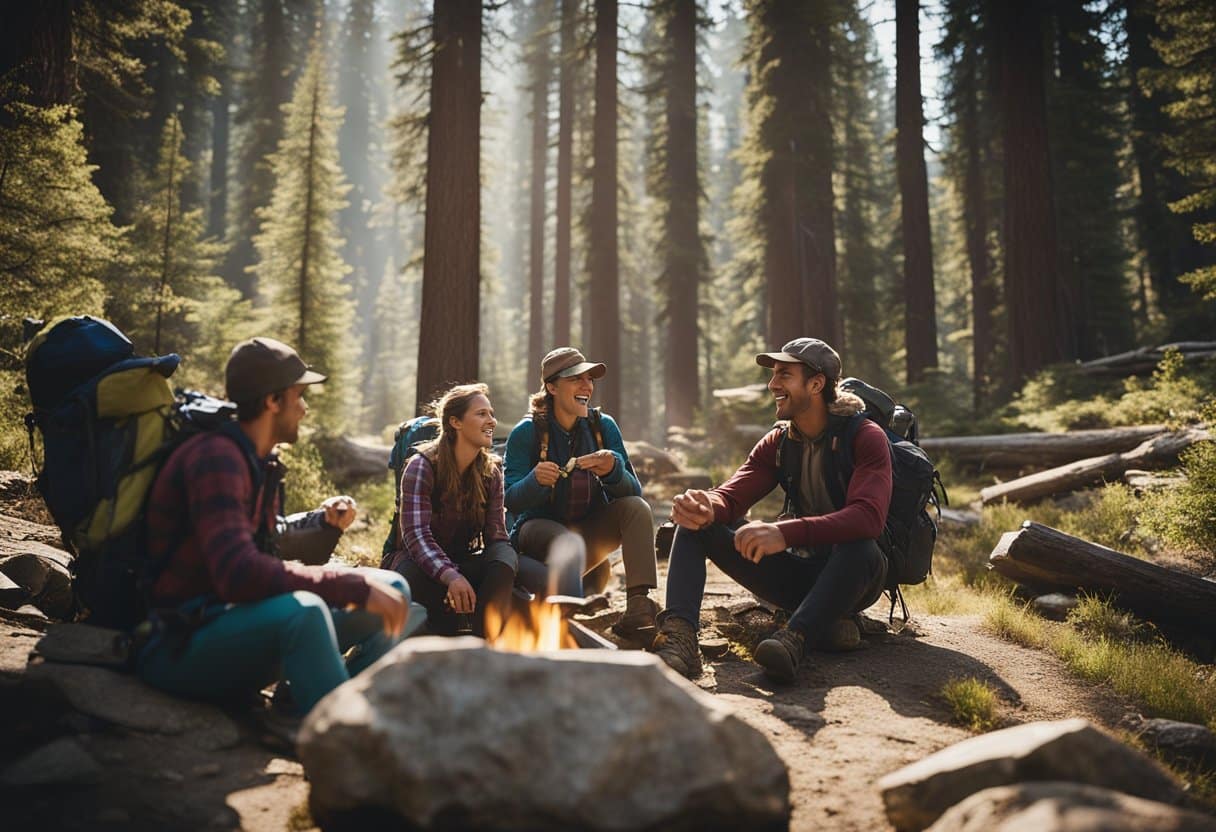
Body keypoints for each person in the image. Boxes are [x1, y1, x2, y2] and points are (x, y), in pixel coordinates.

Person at [136, 337, 412, 717]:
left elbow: (263, 541)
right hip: (181, 642)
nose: (304, 407)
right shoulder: (215, 458)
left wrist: (320, 522)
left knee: (392, 586)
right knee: (306, 612)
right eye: (298, 395)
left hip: (237, 623)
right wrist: (345, 583)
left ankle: (315, 706)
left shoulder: (259, 462)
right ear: (272, 400)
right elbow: (239, 572)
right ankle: (345, 740)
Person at [652, 337, 892, 683]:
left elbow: (868, 518)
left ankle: (795, 639)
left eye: (784, 375)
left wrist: (784, 532)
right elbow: (732, 498)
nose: (772, 384)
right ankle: (680, 640)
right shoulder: (779, 442)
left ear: (816, 383)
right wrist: (706, 506)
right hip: (797, 573)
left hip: (855, 578)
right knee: (695, 525)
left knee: (862, 546)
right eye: (773, 374)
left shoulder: (865, 437)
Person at [503, 347, 659, 641]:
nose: (586, 386)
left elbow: (633, 492)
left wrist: (613, 471)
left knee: (637, 508)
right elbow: (510, 498)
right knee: (567, 541)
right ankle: (571, 624)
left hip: (586, 533)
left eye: (589, 379)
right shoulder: (527, 432)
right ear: (551, 387)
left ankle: (639, 608)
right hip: (535, 532)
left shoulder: (602, 426)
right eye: (576, 378)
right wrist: (535, 480)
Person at [383, 383, 519, 638]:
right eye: (481, 414)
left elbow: (496, 536)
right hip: (417, 565)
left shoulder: (492, 471)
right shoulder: (421, 466)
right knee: (412, 579)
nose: (491, 420)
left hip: (461, 561)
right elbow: (415, 538)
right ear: (455, 422)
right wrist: (451, 576)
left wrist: (504, 567)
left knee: (503, 559)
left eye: (491, 413)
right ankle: (442, 635)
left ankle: (484, 642)